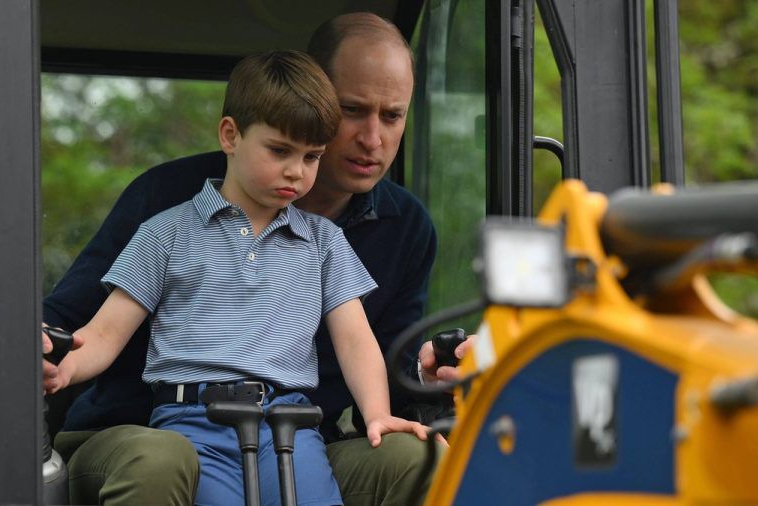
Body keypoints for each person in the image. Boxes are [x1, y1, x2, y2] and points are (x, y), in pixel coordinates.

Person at [43, 12, 471, 506]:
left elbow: (366, 348)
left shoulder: (345, 239)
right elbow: (90, 328)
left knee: (418, 461)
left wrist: (410, 388)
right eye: (353, 110)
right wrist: (57, 362)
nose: (373, 139)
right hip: (170, 427)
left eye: (392, 115)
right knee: (167, 466)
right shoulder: (167, 216)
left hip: (294, 428)